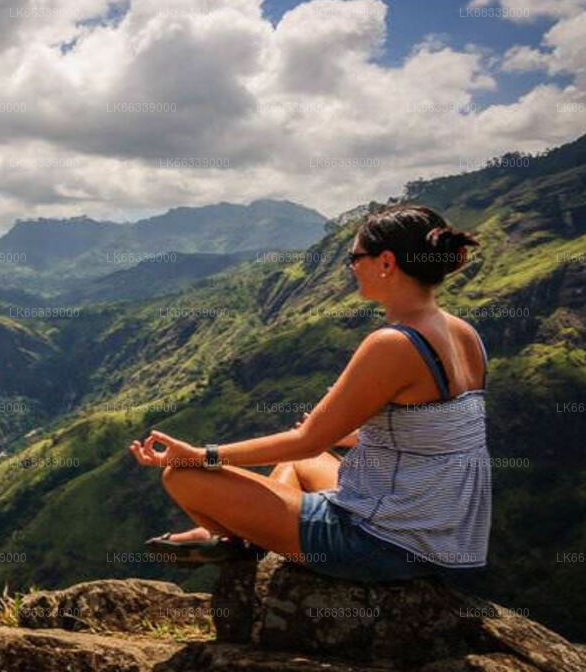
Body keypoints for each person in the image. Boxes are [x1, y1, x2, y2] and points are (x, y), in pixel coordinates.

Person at [129, 204, 489, 583]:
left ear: (386, 262)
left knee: (182, 475)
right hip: (446, 539)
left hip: (384, 544)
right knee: (303, 465)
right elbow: (443, 434)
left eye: (355, 258)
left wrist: (202, 455)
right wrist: (355, 435)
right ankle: (235, 536)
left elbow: (305, 441)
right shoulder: (464, 333)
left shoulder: (393, 343)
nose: (351, 267)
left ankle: (237, 537)